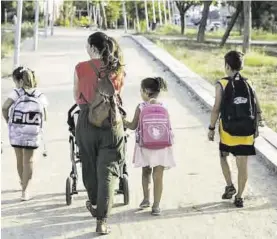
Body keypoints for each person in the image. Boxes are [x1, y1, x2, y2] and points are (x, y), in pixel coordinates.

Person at [73, 32, 125, 235]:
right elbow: (117, 95)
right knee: (108, 170)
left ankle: (95, 201)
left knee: (89, 165)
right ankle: (102, 219)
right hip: (112, 122)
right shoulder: (118, 68)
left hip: (87, 120)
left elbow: (77, 96)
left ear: (93, 48)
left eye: (87, 45)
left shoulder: (80, 67)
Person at [208, 51, 263, 208]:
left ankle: (229, 185)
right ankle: (239, 196)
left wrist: (211, 128)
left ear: (227, 66)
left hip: (227, 131)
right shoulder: (249, 83)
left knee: (224, 155)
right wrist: (257, 125)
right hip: (246, 131)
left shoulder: (222, 84)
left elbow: (216, 108)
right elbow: (257, 107)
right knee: (243, 164)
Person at [123, 77, 176, 216]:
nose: (140, 93)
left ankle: (146, 199)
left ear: (146, 92)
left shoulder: (141, 107)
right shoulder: (164, 106)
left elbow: (133, 126)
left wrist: (122, 121)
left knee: (146, 172)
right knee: (158, 176)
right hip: (162, 146)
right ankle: (156, 206)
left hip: (146, 146)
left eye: (141, 90)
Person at [2, 67, 48, 201]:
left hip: (17, 130)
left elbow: (5, 107)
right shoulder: (39, 94)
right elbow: (44, 116)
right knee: (29, 160)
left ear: (20, 81)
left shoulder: (16, 93)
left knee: (19, 159)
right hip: (32, 132)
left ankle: (22, 182)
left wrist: (8, 121)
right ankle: (25, 191)